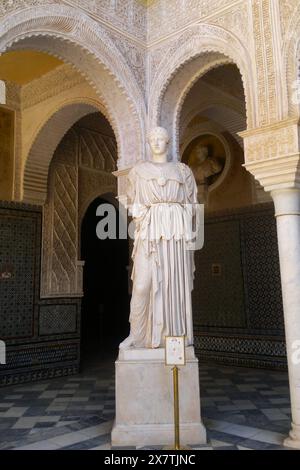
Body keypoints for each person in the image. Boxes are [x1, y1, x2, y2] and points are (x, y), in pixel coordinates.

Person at [119, 126, 199, 349]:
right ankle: (137, 334)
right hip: (150, 229)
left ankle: (172, 337)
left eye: (160, 139)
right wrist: (144, 213)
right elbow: (132, 201)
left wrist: (176, 215)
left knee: (173, 282)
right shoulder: (139, 171)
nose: (156, 142)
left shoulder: (183, 171)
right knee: (142, 284)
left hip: (175, 231)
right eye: (152, 139)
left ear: (167, 142)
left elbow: (192, 204)